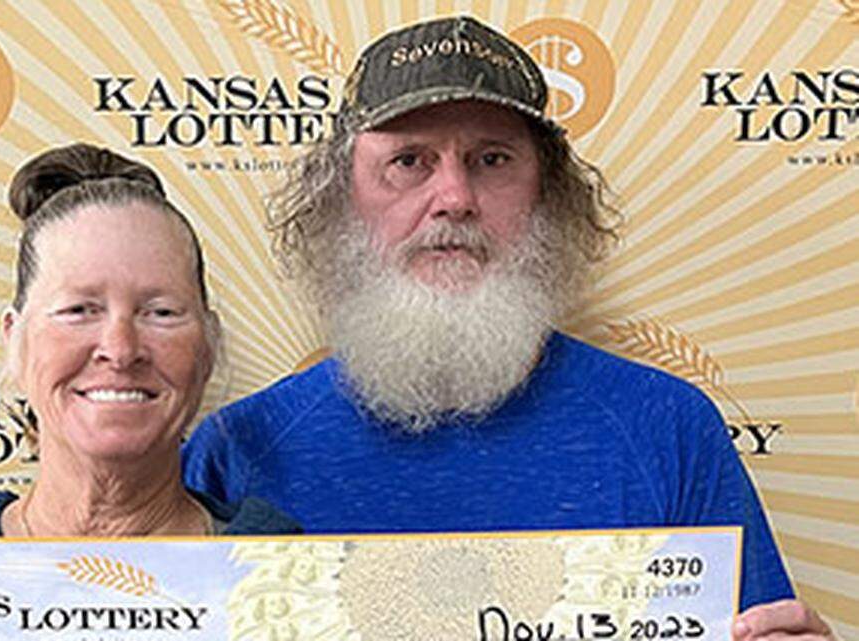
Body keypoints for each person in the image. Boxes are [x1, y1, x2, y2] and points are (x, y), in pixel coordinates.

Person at [182, 16, 835, 640]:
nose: (455, 197)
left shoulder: (669, 428)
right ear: (341, 197)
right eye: (409, 161)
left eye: (492, 159)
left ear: (547, 196)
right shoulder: (236, 449)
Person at [0, 143, 298, 537]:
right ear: (14, 341)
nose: (121, 350)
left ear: (208, 346)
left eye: (161, 313)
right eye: (79, 311)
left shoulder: (297, 582)